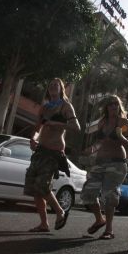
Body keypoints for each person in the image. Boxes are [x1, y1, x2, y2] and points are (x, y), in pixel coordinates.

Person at [24, 78, 80, 232]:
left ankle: (60, 211)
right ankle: (44, 224)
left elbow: (76, 127)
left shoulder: (66, 106)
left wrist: (57, 124)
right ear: (48, 90)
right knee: (34, 188)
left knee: (42, 185)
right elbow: (38, 128)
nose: (53, 87)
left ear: (62, 89)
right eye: (51, 85)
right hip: (40, 150)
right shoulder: (45, 107)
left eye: (57, 85)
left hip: (54, 151)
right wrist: (33, 139)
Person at [80, 95, 128, 239]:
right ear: (106, 107)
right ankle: (99, 219)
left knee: (109, 195)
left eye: (116, 104)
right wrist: (92, 149)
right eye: (110, 104)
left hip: (117, 163)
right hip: (99, 162)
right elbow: (100, 142)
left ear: (119, 106)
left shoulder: (123, 122)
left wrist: (121, 137)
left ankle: (109, 230)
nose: (113, 106)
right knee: (88, 193)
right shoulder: (102, 122)